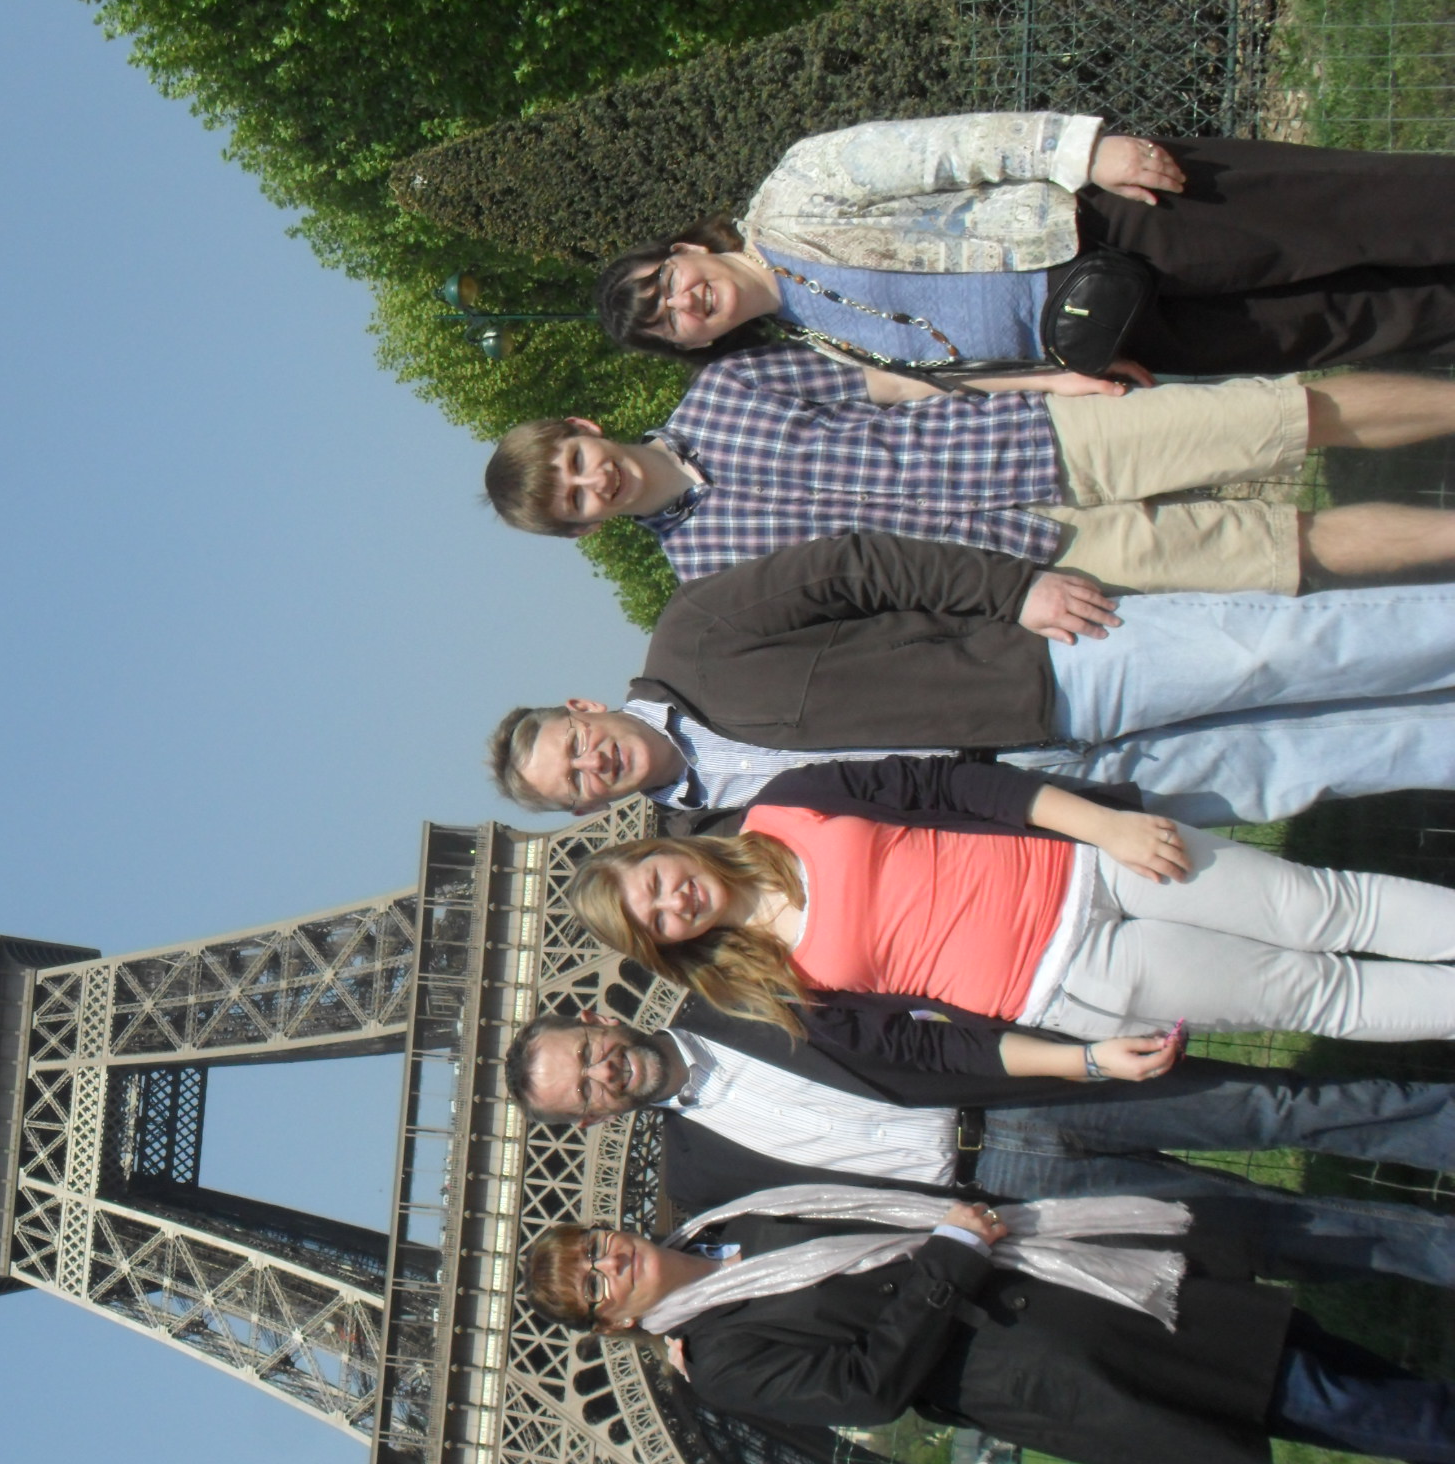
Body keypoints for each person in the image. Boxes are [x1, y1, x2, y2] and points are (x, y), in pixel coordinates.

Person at [487, 531, 1455, 830]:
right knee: (1304, 767)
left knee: (1281, 651)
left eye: (574, 746)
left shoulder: (693, 635)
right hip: (1052, 798)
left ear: (583, 708)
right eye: (575, 784)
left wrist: (1014, 589)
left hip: (1050, 671)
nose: (592, 764)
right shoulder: (710, 841)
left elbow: (854, 566)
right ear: (587, 809)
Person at [521, 1195, 1455, 1464]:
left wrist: (961, 1236)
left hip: (1072, 1274)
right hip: (1046, 1356)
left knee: (1305, 1357)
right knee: (1306, 1390)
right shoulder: (719, 1362)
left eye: (594, 1247)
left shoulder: (734, 1221)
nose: (610, 1263)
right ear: (613, 1325)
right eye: (595, 1284)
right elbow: (868, 1388)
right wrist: (950, 1259)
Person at [507, 1006, 1455, 1288]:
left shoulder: (728, 990)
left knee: (1281, 1110)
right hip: (1007, 1195)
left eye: (586, 1055)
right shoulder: (697, 1179)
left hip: (1023, 1083)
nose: (601, 1074)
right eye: (582, 1091)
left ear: (597, 1021)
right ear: (590, 1123)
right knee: (1267, 1230)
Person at [568, 756, 1455, 1053]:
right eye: (657, 921)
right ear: (668, 946)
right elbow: (924, 1051)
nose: (674, 901)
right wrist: (1084, 1062)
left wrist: (1105, 826)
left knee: (1324, 906)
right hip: (1076, 976)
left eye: (655, 881)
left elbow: (948, 786)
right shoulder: (766, 987)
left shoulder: (788, 801)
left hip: (1093, 864)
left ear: (664, 849)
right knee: (1318, 995)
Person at [594, 113, 1455, 378]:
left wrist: (1083, 152)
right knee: (1343, 323)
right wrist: (1073, 377)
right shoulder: (812, 345)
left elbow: (947, 149)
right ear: (693, 345)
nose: (682, 303)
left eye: (665, 284)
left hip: (1102, 226)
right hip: (1120, 335)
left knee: (1345, 215)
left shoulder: (795, 187)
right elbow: (959, 381)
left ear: (686, 250)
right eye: (667, 323)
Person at [481, 362, 1455, 593]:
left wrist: (1045, 378)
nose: (591, 483)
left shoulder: (726, 386)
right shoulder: (706, 575)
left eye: (573, 463)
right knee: (1282, 550)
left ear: (584, 430)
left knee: (1285, 414)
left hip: (1039, 437)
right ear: (584, 529)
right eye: (572, 502)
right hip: (1035, 556)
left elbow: (896, 383)